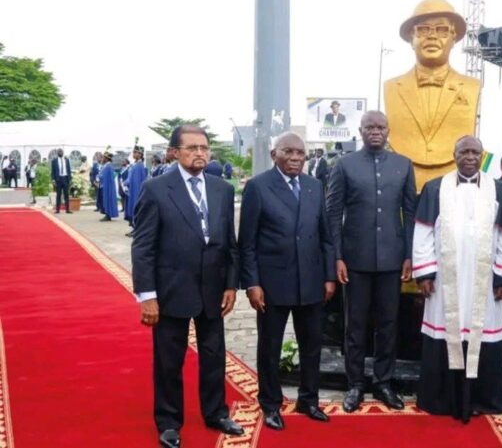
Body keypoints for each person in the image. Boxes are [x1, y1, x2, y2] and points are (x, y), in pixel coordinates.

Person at [132, 125, 243, 448]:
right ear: (175, 152)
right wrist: (147, 296)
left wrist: (231, 285)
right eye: (192, 148)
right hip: (171, 291)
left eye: (204, 148)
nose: (200, 153)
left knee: (214, 356)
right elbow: (143, 247)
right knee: (169, 360)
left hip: (213, 290)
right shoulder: (156, 189)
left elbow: (229, 244)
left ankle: (216, 412)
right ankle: (168, 422)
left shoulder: (222, 189)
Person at [238, 132, 336, 431]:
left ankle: (309, 399)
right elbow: (247, 243)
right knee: (270, 347)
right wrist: (252, 283)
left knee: (312, 346)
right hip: (272, 284)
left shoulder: (314, 186)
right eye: (288, 152)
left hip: (311, 282)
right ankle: (270, 404)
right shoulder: (258, 187)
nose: (295, 158)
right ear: (274, 155)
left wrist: (329, 275)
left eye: (300, 153)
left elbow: (325, 236)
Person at [412, 136, 502, 423]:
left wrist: (501, 276)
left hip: (484, 282)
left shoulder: (500, 190)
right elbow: (423, 232)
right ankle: (441, 399)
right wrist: (426, 272)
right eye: (464, 151)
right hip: (446, 282)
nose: (470, 156)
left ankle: (483, 398)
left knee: (482, 333)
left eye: (475, 152)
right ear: (453, 154)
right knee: (446, 330)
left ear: (482, 156)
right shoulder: (434, 188)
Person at [326, 110, 417, 413]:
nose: (375, 131)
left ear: (389, 130)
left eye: (380, 127)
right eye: (370, 127)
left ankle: (383, 382)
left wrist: (408, 255)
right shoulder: (344, 165)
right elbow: (333, 214)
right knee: (355, 325)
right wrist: (337, 256)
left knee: (389, 324)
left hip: (392, 260)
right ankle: (355, 384)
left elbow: (410, 214)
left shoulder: (403, 165)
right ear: (360, 130)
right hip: (355, 260)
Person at [383, 0, 479, 190]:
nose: (432, 37)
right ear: (411, 38)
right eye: (423, 29)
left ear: (454, 38)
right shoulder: (392, 87)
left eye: (442, 30)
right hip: (405, 183)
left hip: (451, 184)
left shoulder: (472, 86)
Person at [124, 146, 148, 232]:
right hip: (132, 190)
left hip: (136, 191)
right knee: (132, 208)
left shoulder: (140, 166)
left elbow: (139, 181)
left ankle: (137, 229)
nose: (133, 154)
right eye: (133, 152)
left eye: (135, 152)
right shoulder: (135, 164)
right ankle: (134, 227)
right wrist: (125, 183)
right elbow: (130, 178)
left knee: (136, 208)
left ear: (140, 154)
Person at [97, 152, 119, 222]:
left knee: (107, 200)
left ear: (106, 159)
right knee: (105, 200)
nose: (102, 159)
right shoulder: (105, 166)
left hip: (107, 185)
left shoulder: (108, 166)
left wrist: (99, 177)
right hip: (104, 185)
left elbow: (107, 176)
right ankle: (106, 214)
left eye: (103, 157)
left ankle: (108, 215)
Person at [51, 149, 72, 214]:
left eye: (61, 151)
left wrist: (70, 179)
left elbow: (69, 169)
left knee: (66, 195)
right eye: (59, 152)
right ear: (57, 153)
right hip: (58, 179)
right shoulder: (54, 161)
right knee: (58, 195)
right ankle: (57, 210)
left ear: (63, 152)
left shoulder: (66, 160)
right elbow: (53, 171)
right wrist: (53, 180)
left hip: (65, 178)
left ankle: (67, 210)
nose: (60, 152)